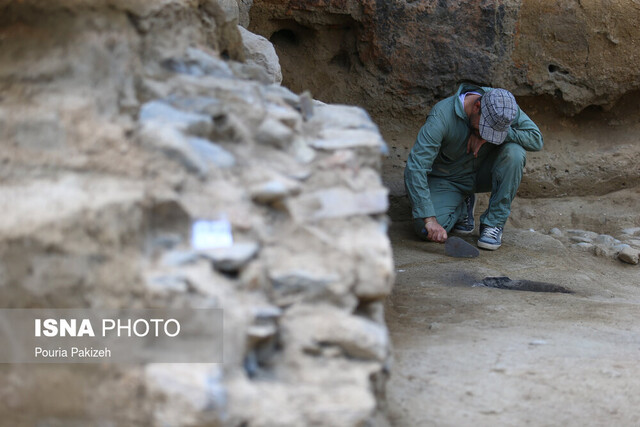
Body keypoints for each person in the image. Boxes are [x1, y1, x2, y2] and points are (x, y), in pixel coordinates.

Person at [404, 83, 543, 250]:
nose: (487, 134)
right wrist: (430, 219)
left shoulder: (503, 106)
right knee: (423, 228)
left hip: (484, 172)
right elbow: (416, 167)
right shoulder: (441, 116)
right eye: (484, 128)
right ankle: (463, 204)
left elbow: (536, 139)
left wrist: (497, 134)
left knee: (515, 153)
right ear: (477, 106)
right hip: (449, 179)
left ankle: (493, 223)